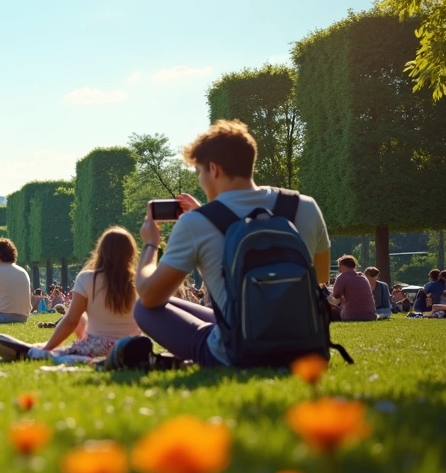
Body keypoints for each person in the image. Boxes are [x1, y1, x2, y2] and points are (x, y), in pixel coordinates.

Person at [134, 120, 331, 367]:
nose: (200, 181)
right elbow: (320, 275)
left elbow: (149, 296)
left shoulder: (196, 223)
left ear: (214, 169)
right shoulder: (306, 206)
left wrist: (151, 244)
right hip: (305, 346)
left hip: (239, 352)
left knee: (142, 308)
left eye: (199, 173)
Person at [0, 227, 142, 360]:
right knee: (81, 320)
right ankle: (40, 348)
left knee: (59, 352)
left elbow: (71, 320)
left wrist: (48, 347)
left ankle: (37, 351)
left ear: (101, 251)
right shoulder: (139, 281)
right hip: (130, 347)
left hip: (98, 347)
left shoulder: (87, 278)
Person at [329, 256, 375, 322]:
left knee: (330, 307)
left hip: (351, 316)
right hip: (370, 316)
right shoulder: (362, 276)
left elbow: (336, 296)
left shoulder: (343, 277)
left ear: (341, 267)